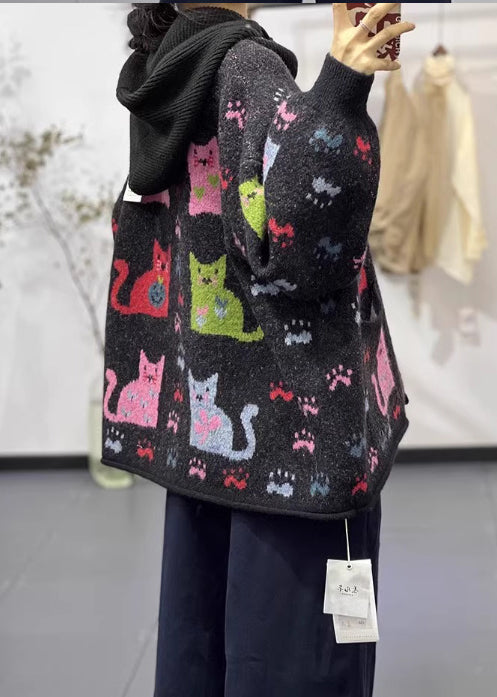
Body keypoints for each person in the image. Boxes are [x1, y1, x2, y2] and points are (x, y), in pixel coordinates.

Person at [104, 3, 415, 695]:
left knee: (203, 647)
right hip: (294, 439)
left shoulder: (172, 66)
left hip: (208, 440)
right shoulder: (247, 64)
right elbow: (298, 255)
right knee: (296, 665)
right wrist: (340, 89)